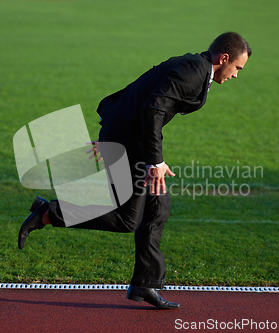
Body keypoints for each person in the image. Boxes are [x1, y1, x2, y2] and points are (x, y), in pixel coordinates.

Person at [18, 32, 251, 309]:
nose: (237, 74)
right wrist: (152, 161)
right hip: (132, 141)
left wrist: (114, 131)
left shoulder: (196, 67)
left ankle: (146, 283)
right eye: (237, 67)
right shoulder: (194, 70)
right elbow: (153, 108)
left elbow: (142, 91)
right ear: (223, 58)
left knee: (157, 209)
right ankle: (48, 214)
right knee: (127, 219)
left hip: (129, 136)